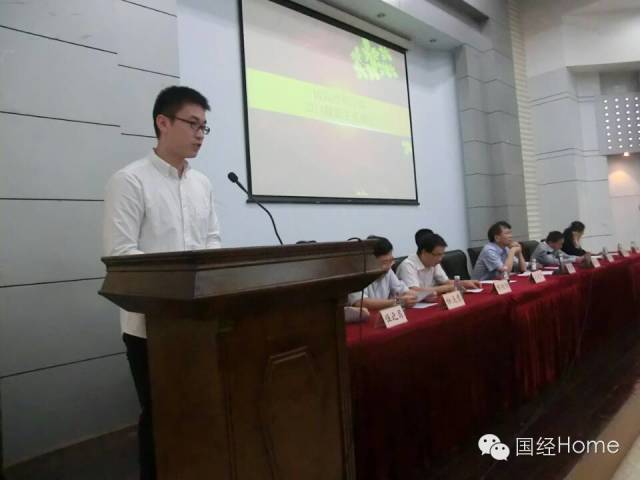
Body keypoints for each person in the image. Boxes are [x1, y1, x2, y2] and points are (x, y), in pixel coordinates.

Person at [103, 86, 221, 480]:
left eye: (205, 127)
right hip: (150, 328)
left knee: (198, 412)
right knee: (160, 417)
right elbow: (122, 257)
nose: (200, 135)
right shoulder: (130, 181)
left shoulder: (202, 184)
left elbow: (212, 242)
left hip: (199, 322)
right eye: (193, 124)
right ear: (163, 122)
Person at [348, 236, 418, 310]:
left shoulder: (388, 270)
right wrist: (397, 302)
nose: (389, 266)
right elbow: (360, 302)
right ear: (370, 260)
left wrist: (412, 296)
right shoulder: (355, 274)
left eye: (391, 260)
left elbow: (402, 290)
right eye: (384, 262)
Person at [398, 232, 481, 294]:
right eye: (437, 255)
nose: (440, 259)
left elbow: (445, 282)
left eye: (442, 255)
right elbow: (414, 291)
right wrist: (447, 288)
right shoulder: (408, 265)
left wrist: (465, 283)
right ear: (424, 252)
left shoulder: (434, 262)